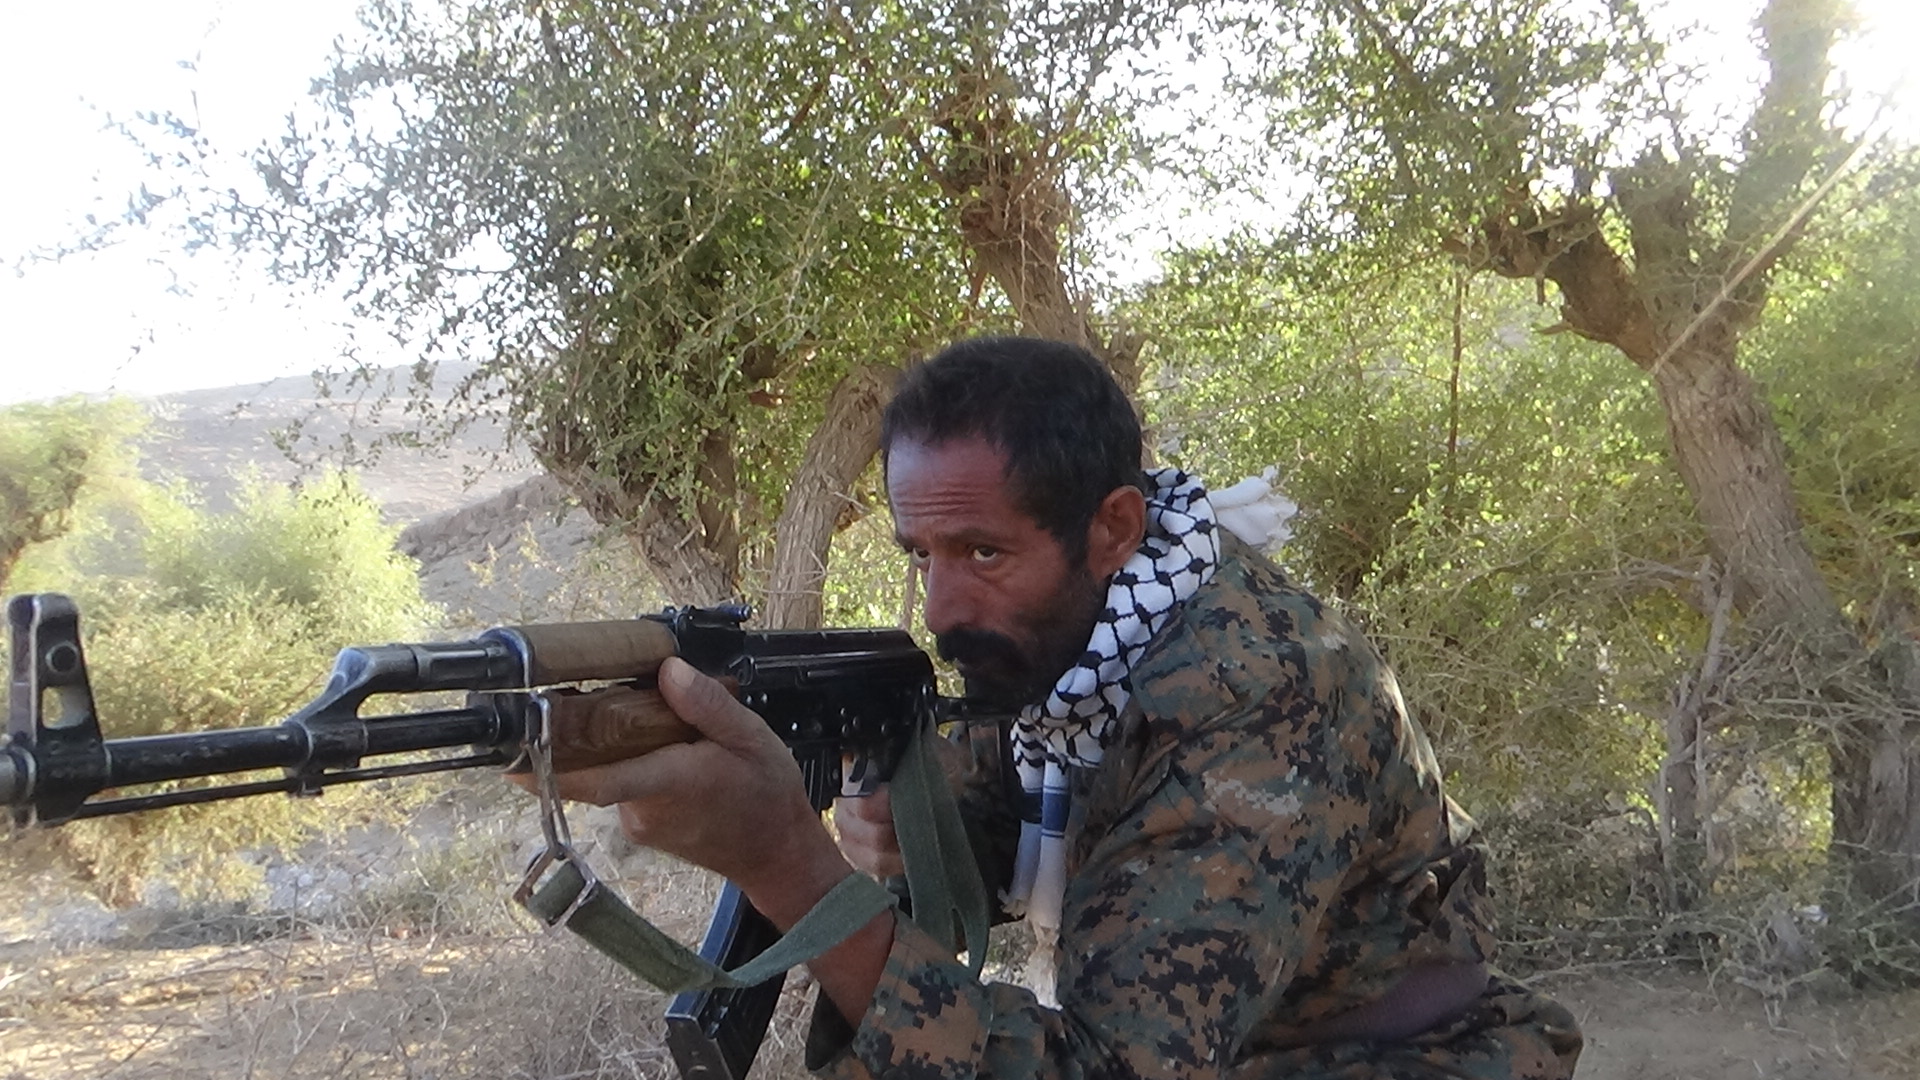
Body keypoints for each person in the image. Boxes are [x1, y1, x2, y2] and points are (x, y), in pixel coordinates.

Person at [544, 336, 1584, 1079]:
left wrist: (783, 859)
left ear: (1113, 527)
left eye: (982, 552)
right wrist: (911, 820)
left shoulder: (1251, 694)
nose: (940, 608)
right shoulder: (1086, 628)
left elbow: (1111, 1065)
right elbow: (1010, 789)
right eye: (921, 555)